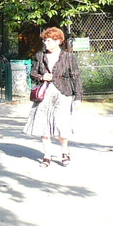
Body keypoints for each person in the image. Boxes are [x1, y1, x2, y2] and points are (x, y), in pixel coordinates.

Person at [24, 27, 82, 167]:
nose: (46, 43)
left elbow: (76, 77)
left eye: (48, 40)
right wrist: (42, 76)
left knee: (62, 124)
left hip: (64, 93)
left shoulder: (68, 57)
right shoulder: (40, 56)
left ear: (58, 41)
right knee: (43, 125)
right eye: (44, 40)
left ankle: (65, 151)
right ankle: (47, 155)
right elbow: (33, 73)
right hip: (45, 94)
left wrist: (78, 97)